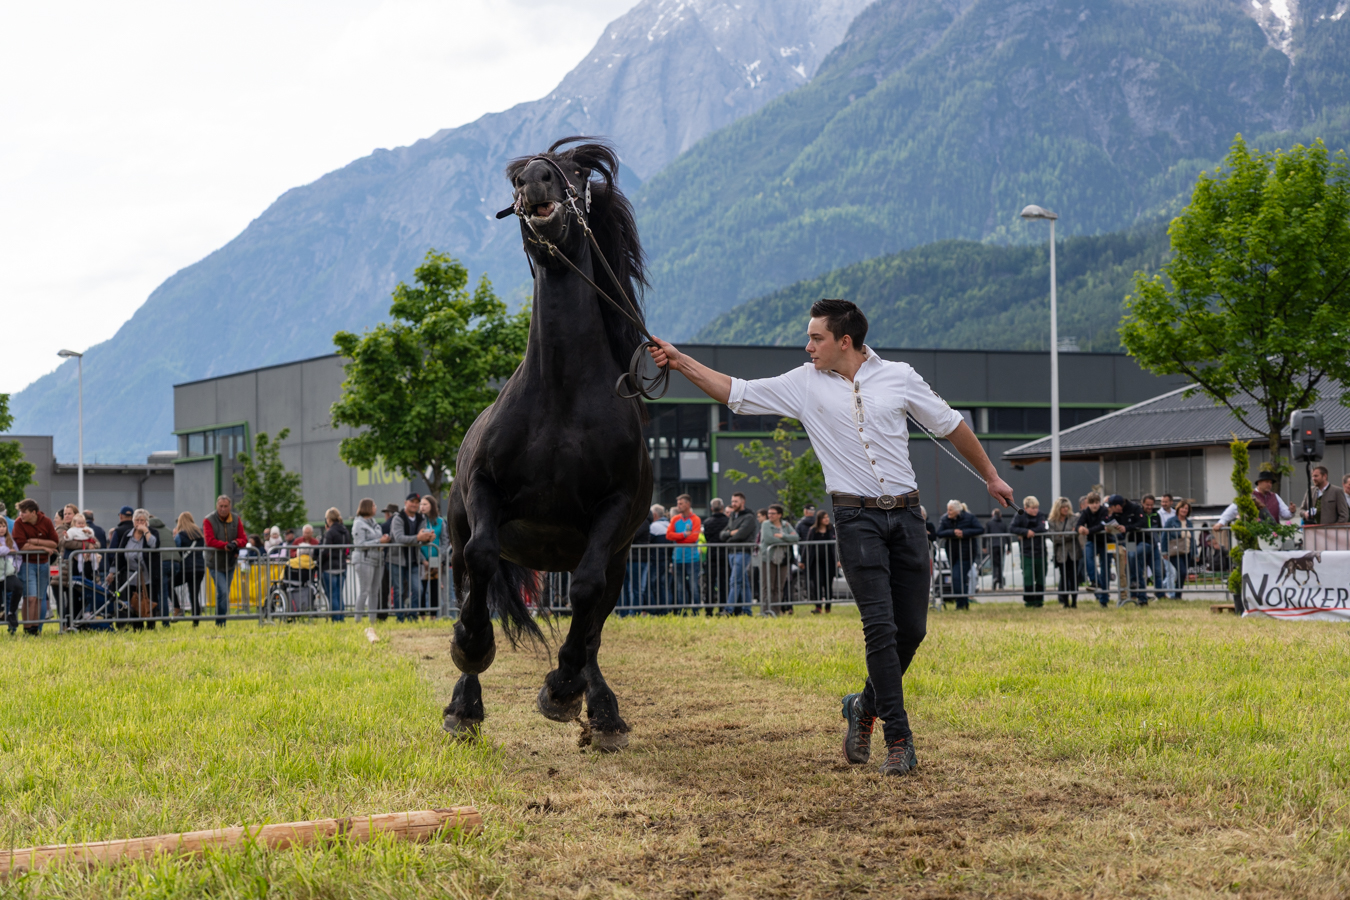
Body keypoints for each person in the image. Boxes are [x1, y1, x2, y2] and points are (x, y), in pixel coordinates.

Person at [648, 297, 1014, 776]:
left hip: (908, 517)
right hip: (854, 519)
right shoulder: (803, 383)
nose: (808, 346)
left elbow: (952, 426)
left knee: (912, 631)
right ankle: (899, 740)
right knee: (879, 628)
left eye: (815, 338)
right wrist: (680, 361)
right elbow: (735, 392)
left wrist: (990, 476)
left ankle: (863, 705)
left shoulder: (899, 376)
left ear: (845, 341)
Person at [13, 500, 59, 635]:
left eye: (24, 512)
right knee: (30, 598)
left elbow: (54, 543)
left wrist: (34, 541)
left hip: (43, 564)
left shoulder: (46, 522)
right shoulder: (19, 523)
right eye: (20, 512)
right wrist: (43, 547)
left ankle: (35, 629)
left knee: (39, 598)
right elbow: (22, 546)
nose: (21, 515)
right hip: (27, 564)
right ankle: (27, 629)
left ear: (33, 513)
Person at [203, 495, 249, 626]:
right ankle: (220, 623)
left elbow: (244, 539)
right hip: (214, 563)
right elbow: (209, 541)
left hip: (230, 563)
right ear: (216, 506)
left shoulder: (236, 519)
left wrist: (235, 543)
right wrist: (225, 545)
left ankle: (220, 621)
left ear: (230, 507)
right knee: (223, 591)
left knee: (224, 593)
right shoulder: (208, 520)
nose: (223, 509)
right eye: (221, 506)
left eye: (225, 506)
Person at [389, 493, 432, 621]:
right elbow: (399, 538)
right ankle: (400, 617)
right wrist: (418, 538)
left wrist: (428, 538)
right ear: (405, 503)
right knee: (399, 590)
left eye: (417, 502)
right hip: (397, 559)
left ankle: (413, 616)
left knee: (418, 589)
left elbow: (421, 538)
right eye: (412, 501)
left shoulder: (421, 518)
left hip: (413, 560)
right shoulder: (398, 518)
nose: (414, 504)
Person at [934, 499, 983, 610]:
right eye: (948, 510)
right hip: (952, 554)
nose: (948, 512)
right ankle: (964, 603)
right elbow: (939, 533)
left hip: (967, 553)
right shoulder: (945, 519)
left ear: (957, 510)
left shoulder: (970, 517)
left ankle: (960, 604)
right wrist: (953, 533)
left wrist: (964, 533)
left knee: (957, 578)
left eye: (950, 510)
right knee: (961, 579)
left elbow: (980, 529)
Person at [1105, 494, 1149, 605]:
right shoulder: (1116, 513)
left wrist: (1127, 528)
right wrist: (1108, 527)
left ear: (1118, 506)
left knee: (1132, 557)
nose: (1111, 509)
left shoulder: (1135, 508)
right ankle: (1140, 596)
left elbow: (1142, 522)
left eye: (1112, 506)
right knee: (1133, 563)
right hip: (1130, 542)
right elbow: (1110, 521)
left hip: (1142, 540)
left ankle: (1136, 585)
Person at [720, 493, 756, 616]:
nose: (733, 504)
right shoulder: (733, 517)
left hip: (742, 552)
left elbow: (741, 534)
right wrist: (730, 533)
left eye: (736, 501)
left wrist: (728, 537)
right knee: (743, 582)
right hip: (732, 552)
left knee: (734, 580)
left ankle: (728, 610)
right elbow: (722, 534)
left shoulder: (749, 517)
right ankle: (747, 610)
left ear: (742, 502)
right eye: (732, 501)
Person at [1215, 472, 1292, 528]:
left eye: (1271, 482)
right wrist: (1221, 522)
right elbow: (1233, 509)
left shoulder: (1275, 496)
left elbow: (1286, 515)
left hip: (1273, 534)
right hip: (1255, 534)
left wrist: (1292, 511)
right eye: (1267, 482)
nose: (1269, 484)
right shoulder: (1249, 495)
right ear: (1259, 482)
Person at [760, 504, 798, 616]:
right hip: (768, 559)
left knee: (779, 587)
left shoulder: (786, 525)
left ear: (779, 515)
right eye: (769, 513)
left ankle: (776, 611)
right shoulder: (766, 524)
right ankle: (766, 611)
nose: (770, 515)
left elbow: (796, 538)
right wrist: (787, 540)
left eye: (773, 513)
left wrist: (782, 536)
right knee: (768, 586)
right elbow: (769, 539)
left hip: (783, 559)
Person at [667, 494, 702, 612]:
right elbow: (668, 535)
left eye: (681, 503)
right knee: (679, 587)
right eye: (678, 503)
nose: (678, 506)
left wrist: (678, 539)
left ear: (688, 504)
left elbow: (694, 538)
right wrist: (683, 535)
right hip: (677, 559)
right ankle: (682, 611)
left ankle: (696, 612)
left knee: (693, 586)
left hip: (692, 559)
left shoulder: (695, 519)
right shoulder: (675, 519)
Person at [1011, 497, 1048, 608]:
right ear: (1026, 508)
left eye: (1036, 507)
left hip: (1041, 552)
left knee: (1041, 576)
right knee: (1028, 576)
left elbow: (1042, 527)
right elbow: (1012, 528)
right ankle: (1029, 601)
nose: (1035, 510)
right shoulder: (1020, 515)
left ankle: (1039, 601)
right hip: (1026, 552)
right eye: (1033, 508)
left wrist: (1031, 532)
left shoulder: (1040, 515)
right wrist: (1025, 532)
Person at [350, 498, 383, 624]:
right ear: (367, 507)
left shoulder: (374, 523)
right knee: (364, 591)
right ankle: (357, 620)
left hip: (377, 559)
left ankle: (372, 620)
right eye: (374, 505)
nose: (376, 507)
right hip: (364, 559)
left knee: (375, 591)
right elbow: (360, 544)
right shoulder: (358, 523)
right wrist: (379, 541)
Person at [1076, 492, 1111, 606]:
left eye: (1096, 503)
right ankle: (1095, 580)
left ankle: (1104, 599)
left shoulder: (1104, 511)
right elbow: (1078, 524)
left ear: (1099, 503)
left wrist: (1088, 531)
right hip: (1092, 541)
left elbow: (1102, 525)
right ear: (1088, 503)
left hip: (1105, 542)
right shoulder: (1086, 512)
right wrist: (1080, 528)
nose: (1094, 505)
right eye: (1092, 503)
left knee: (1105, 569)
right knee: (1087, 556)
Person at [1047, 496, 1080, 608]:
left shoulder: (1074, 518)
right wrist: (1068, 533)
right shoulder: (1052, 521)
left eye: (1067, 507)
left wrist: (1061, 535)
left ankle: (1074, 602)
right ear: (1058, 508)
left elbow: (1075, 533)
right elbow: (1054, 538)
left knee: (1074, 578)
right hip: (1060, 554)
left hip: (1074, 552)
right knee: (1064, 578)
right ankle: (1065, 602)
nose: (1066, 509)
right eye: (1063, 507)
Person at [620, 507, 653, 615]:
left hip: (637, 560)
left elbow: (632, 536)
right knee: (625, 587)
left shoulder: (643, 522)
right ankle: (624, 612)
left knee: (635, 588)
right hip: (630, 559)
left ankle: (635, 612)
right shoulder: (636, 521)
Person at [321, 508, 352, 622]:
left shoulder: (330, 532)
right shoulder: (345, 531)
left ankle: (336, 619)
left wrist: (319, 561)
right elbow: (347, 550)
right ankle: (341, 618)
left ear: (328, 519)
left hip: (329, 567)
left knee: (332, 595)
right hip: (342, 566)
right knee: (339, 594)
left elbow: (325, 551)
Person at [175, 512, 206, 625]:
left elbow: (176, 549)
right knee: (194, 595)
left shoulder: (180, 535)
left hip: (186, 568)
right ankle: (195, 622)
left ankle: (177, 607)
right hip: (199, 568)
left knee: (168, 584)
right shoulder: (200, 534)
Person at [804, 510, 837, 613]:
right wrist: (802, 560)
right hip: (816, 562)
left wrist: (838, 560)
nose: (826, 519)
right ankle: (818, 607)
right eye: (824, 517)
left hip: (829, 561)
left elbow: (837, 546)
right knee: (817, 584)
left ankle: (828, 607)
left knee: (828, 585)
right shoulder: (813, 530)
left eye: (827, 517)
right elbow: (807, 546)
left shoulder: (832, 529)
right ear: (819, 519)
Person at [418, 496, 445, 618]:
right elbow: (416, 541)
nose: (422, 507)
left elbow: (445, 541)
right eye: (421, 504)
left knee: (434, 588)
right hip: (421, 561)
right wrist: (422, 560)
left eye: (425, 504)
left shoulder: (441, 522)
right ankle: (422, 615)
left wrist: (440, 558)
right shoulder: (419, 521)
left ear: (432, 506)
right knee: (421, 588)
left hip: (436, 560)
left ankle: (433, 615)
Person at [702, 498, 729, 616]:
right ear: (722, 508)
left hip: (711, 554)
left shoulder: (707, 522)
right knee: (723, 582)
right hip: (724, 554)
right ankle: (722, 607)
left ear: (711, 508)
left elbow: (707, 537)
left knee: (710, 583)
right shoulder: (728, 521)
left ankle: (709, 609)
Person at [1166, 499, 1196, 599]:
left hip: (1187, 551)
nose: (1184, 510)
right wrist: (1164, 551)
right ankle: (1176, 594)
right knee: (1182, 571)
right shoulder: (1171, 521)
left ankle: (1178, 595)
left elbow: (1193, 538)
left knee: (1182, 574)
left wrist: (1195, 552)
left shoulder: (1189, 523)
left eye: (1186, 508)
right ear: (1178, 509)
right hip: (1175, 551)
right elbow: (1164, 536)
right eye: (1182, 508)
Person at [1140, 495, 1167, 600]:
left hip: (1154, 547)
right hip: (1142, 546)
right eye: (1147, 505)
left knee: (1157, 571)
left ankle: (1160, 594)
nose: (1149, 507)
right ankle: (1142, 594)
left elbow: (1160, 531)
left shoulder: (1156, 515)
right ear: (1142, 503)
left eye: (1151, 505)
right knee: (1141, 573)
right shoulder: (1139, 514)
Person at [0, 518, 22, 634]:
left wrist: (15, 567)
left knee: (18, 587)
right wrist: (8, 550)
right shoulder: (8, 546)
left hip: (8, 573)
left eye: (4, 526)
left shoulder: (10, 540)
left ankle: (11, 614)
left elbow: (18, 556)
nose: (2, 529)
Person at [985, 508, 1008, 591]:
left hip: (993, 546)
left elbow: (985, 535)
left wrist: (984, 546)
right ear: (1000, 515)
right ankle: (1000, 582)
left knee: (994, 564)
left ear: (992, 515)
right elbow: (1007, 535)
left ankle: (995, 579)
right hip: (1001, 545)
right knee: (1000, 564)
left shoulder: (989, 523)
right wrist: (1009, 547)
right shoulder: (1003, 523)